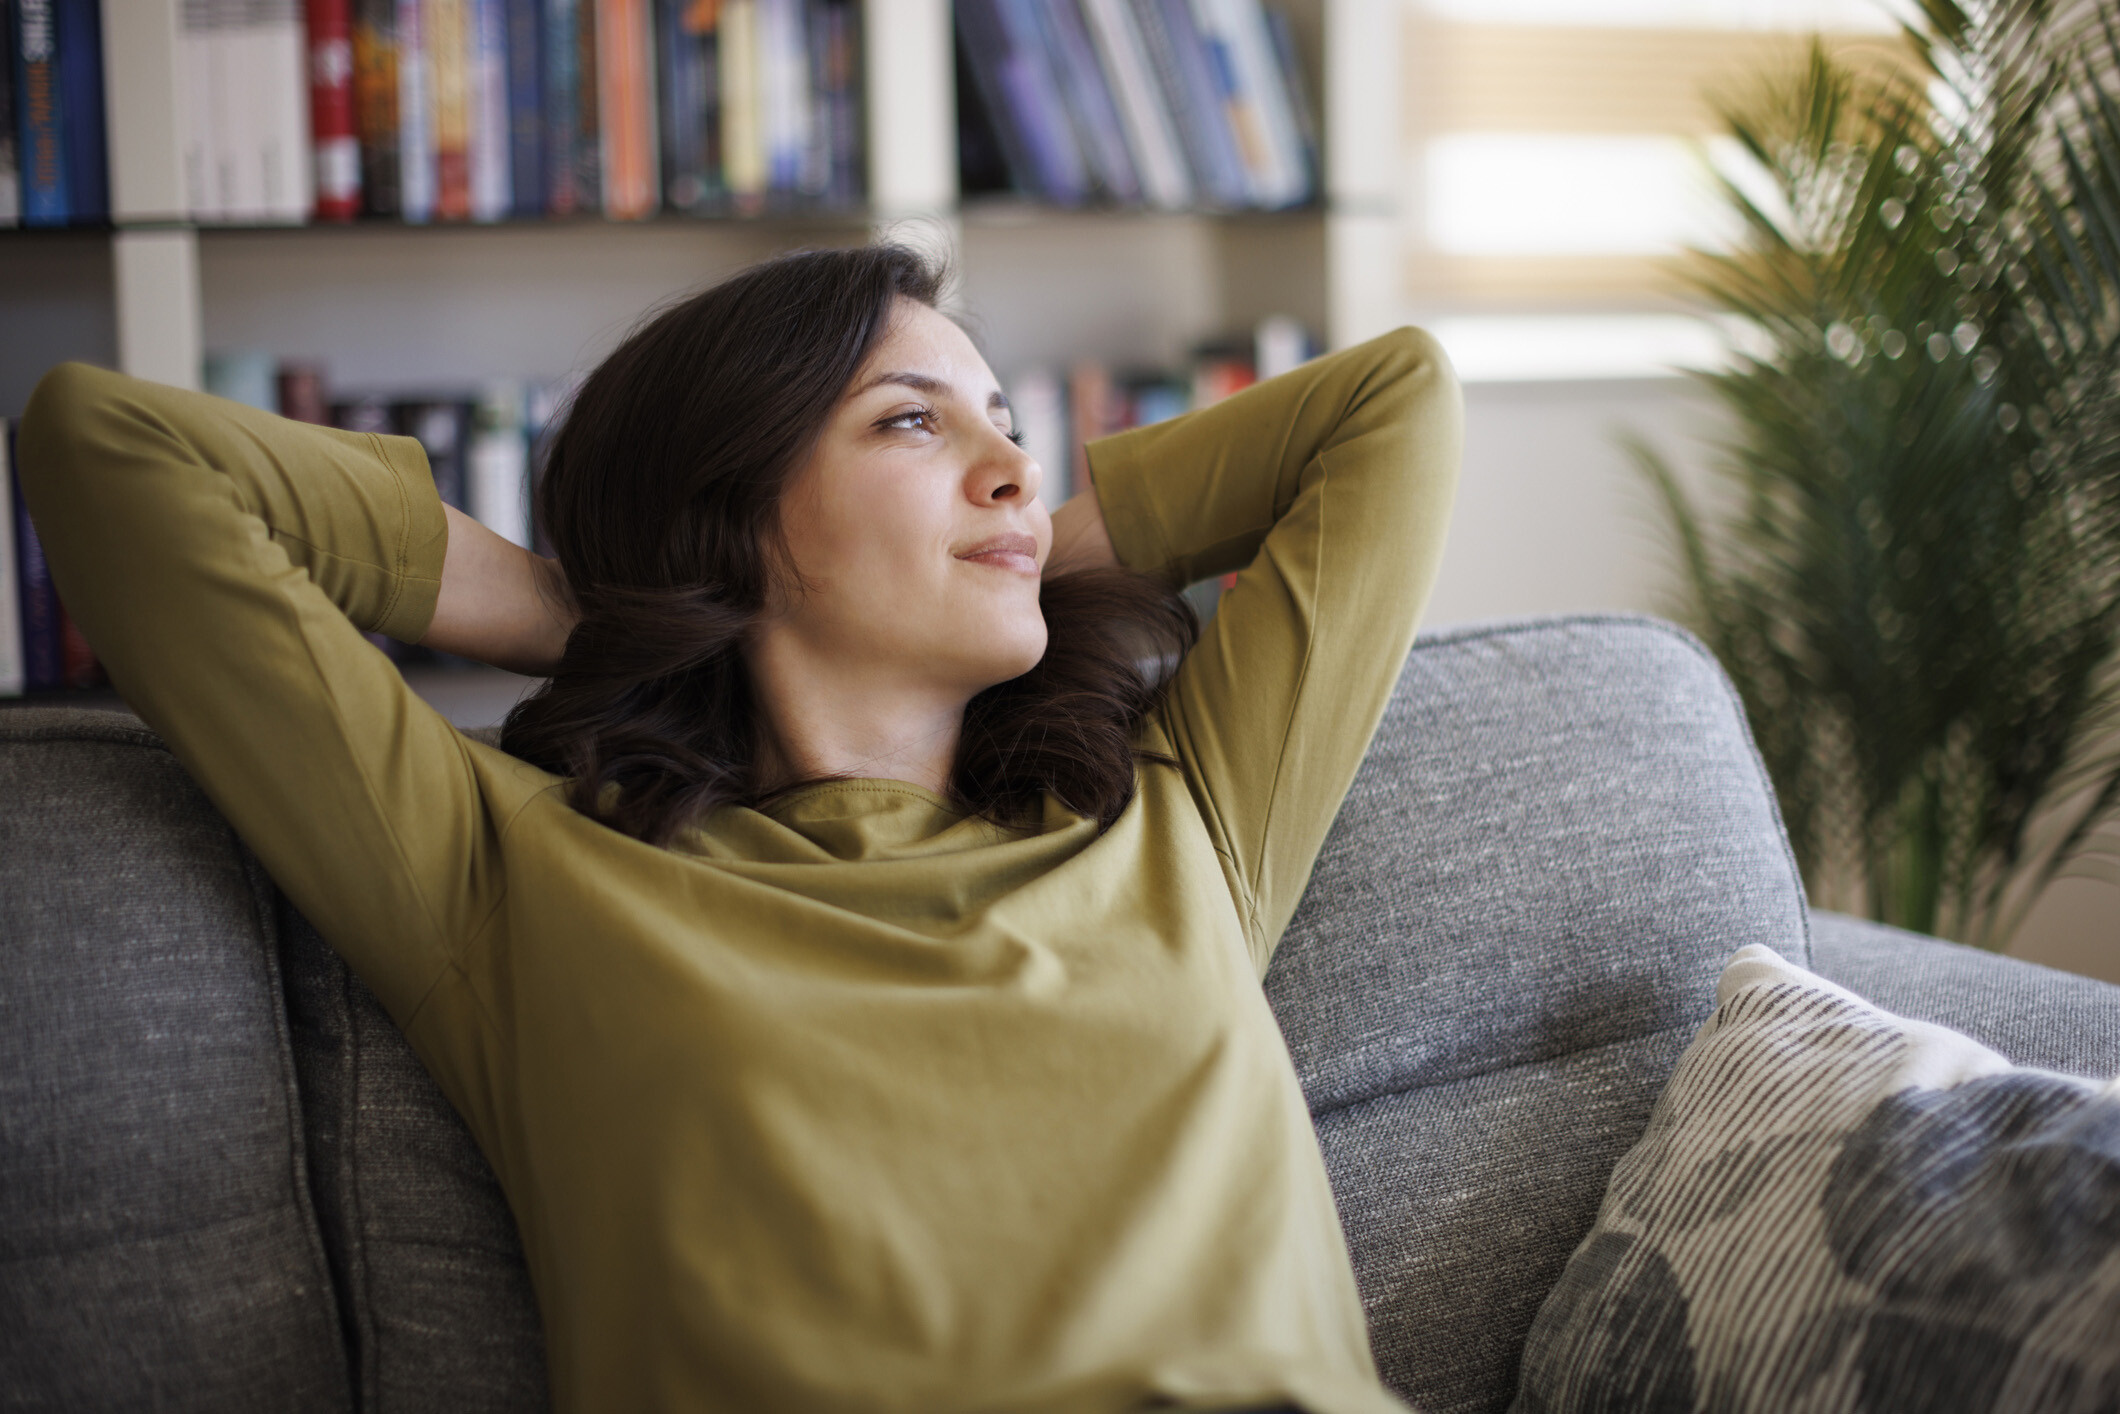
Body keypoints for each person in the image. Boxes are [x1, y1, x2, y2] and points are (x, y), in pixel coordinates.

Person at [18, 244, 1460, 1413]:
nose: (1012, 463)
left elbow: (1391, 403)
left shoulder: (1181, 811)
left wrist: (1028, 536)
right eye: (913, 419)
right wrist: (598, 609)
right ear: (732, 511)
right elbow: (111, 449)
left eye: (1005, 423)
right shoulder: (515, 877)